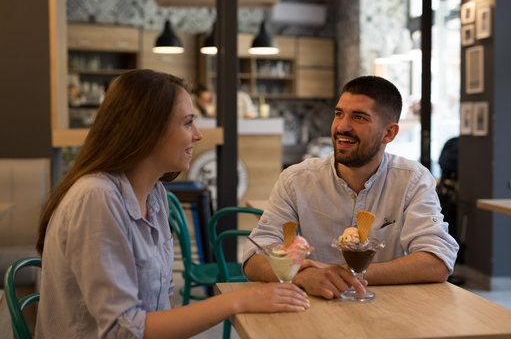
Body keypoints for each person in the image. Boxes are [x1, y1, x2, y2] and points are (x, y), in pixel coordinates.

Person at [35, 69, 309, 339]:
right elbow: (123, 331)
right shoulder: (96, 198)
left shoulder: (155, 194)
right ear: (147, 129)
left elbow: (163, 300)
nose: (198, 135)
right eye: (188, 122)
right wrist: (238, 300)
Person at [243, 76, 459, 299]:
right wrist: (300, 275)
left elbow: (437, 261)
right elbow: (253, 259)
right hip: (314, 311)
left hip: (390, 313)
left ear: (389, 133)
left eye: (359, 117)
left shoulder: (412, 180)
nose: (342, 127)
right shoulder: (296, 180)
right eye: (339, 114)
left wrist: (344, 275)